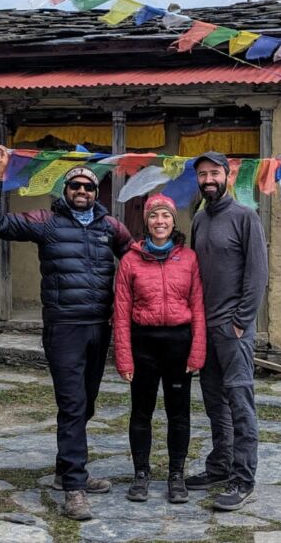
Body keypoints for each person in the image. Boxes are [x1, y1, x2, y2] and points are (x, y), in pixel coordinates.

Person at [0, 146, 132, 522]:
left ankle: (66, 470)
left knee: (87, 403)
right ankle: (74, 488)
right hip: (64, 328)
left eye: (88, 187)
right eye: (75, 186)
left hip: (99, 327)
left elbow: (135, 260)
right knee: (73, 405)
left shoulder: (111, 227)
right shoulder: (46, 221)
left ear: (97, 193)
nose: (82, 191)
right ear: (65, 190)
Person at [184, 150, 269, 512]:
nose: (208, 180)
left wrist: (240, 321)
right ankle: (220, 466)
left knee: (239, 403)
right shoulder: (199, 220)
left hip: (233, 331)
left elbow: (257, 274)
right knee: (214, 402)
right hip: (205, 329)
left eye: (214, 173)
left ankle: (243, 478)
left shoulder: (246, 217)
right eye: (202, 174)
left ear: (228, 176)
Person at [113, 193, 206, 505]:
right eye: (154, 215)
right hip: (144, 344)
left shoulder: (189, 258)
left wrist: (197, 352)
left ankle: (176, 474)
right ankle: (141, 473)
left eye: (165, 215)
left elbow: (198, 307)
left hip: (179, 343)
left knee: (178, 413)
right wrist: (124, 357)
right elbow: (121, 312)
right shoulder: (130, 260)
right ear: (147, 222)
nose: (160, 221)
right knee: (142, 412)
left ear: (173, 221)